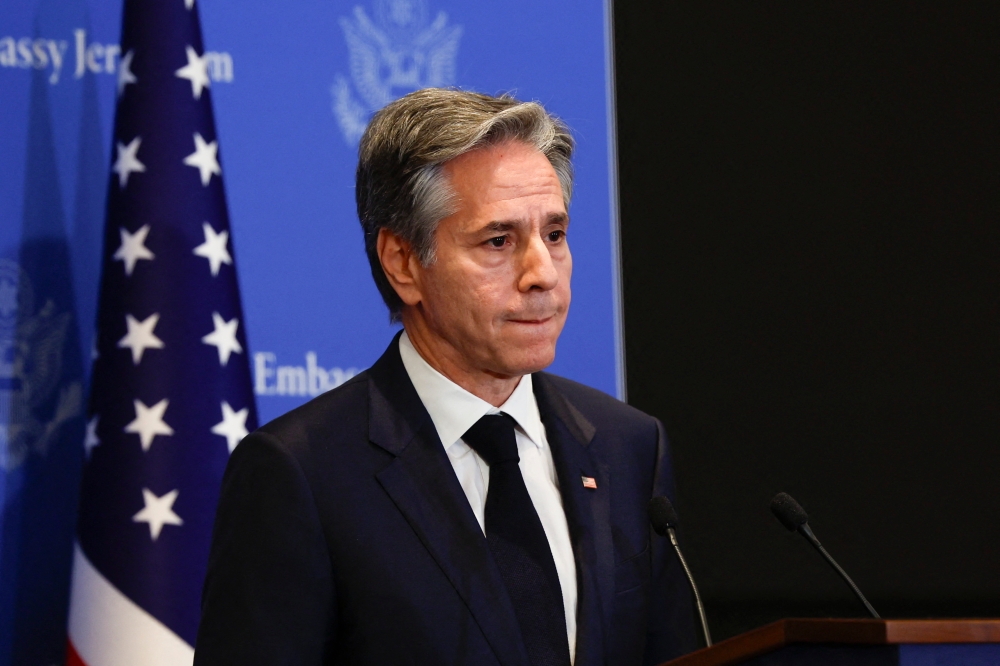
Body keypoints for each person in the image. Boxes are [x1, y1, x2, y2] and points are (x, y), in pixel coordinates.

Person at [194, 89, 696, 666]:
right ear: (403, 263)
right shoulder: (301, 474)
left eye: (554, 234)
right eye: (499, 241)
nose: (542, 273)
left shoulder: (628, 448)